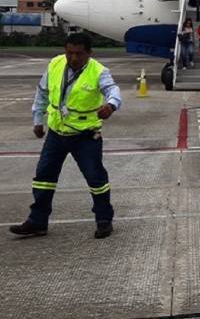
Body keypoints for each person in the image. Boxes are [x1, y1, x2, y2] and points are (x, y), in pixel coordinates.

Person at [9, 33, 121, 239]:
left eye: (79, 54)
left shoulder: (99, 71)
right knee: (43, 177)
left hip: (85, 136)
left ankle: (104, 220)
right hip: (56, 133)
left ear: (89, 53)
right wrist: (37, 120)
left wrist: (111, 105)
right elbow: (42, 92)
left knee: (96, 179)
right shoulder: (55, 64)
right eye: (69, 53)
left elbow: (112, 89)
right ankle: (37, 221)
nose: (73, 58)